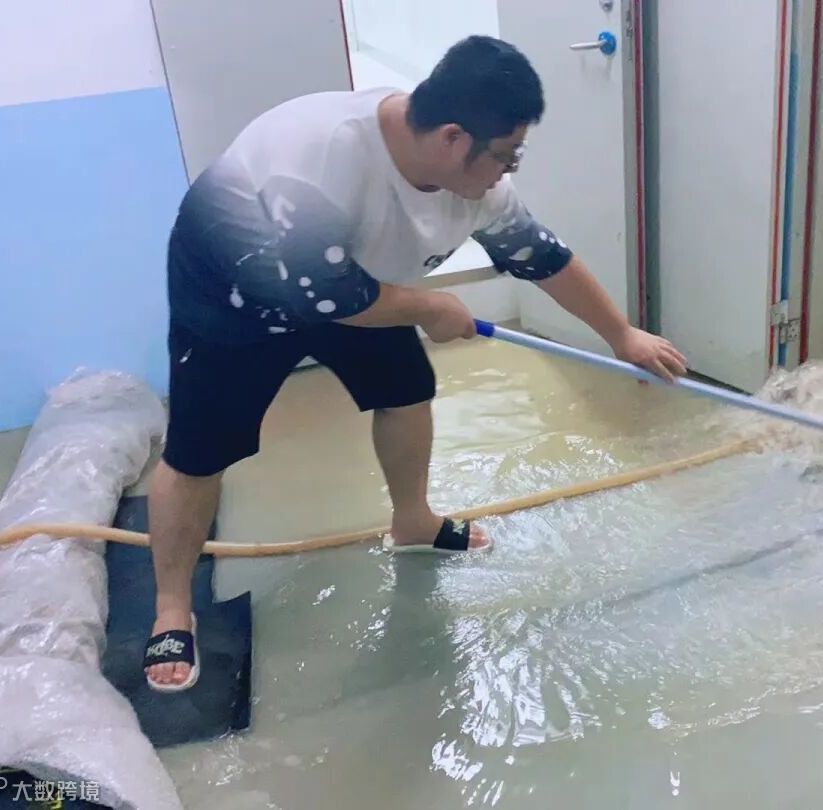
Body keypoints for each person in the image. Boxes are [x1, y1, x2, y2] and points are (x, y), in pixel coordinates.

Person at [144, 35, 688, 691]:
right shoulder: (319, 160)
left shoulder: (477, 187)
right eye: (505, 154)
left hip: (359, 283)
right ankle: (171, 608)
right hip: (234, 294)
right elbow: (322, 297)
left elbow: (543, 258)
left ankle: (414, 522)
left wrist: (621, 335)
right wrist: (430, 308)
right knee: (199, 452)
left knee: (405, 391)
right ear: (454, 138)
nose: (508, 170)